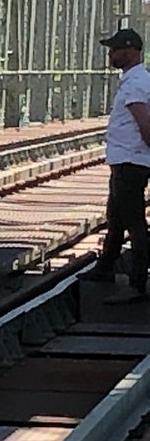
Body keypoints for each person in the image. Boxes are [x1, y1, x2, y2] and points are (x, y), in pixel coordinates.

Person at [86, 28, 150, 304]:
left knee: (134, 221)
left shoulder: (136, 84)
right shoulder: (137, 80)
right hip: (126, 159)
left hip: (131, 161)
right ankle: (106, 266)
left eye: (115, 49)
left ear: (131, 51)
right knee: (116, 216)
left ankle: (137, 283)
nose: (110, 54)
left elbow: (145, 123)